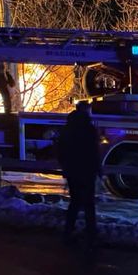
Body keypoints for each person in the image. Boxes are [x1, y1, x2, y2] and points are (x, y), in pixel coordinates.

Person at [57, 100, 102, 246]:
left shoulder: (68, 128)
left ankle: (68, 231)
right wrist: (98, 170)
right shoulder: (89, 129)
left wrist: (66, 168)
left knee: (75, 202)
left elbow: (61, 151)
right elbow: (94, 152)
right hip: (87, 171)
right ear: (86, 111)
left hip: (72, 171)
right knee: (89, 203)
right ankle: (91, 232)